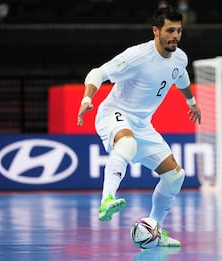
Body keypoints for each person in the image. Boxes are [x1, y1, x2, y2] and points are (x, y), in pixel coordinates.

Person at [77, 6, 201, 247]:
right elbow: (97, 72)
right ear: (156, 31)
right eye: (170, 30)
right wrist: (87, 98)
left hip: (143, 124)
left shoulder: (180, 57)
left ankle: (154, 229)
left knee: (175, 176)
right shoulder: (137, 56)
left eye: (179, 30)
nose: (175, 35)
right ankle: (107, 200)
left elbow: (181, 76)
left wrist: (192, 102)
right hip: (114, 112)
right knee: (127, 143)